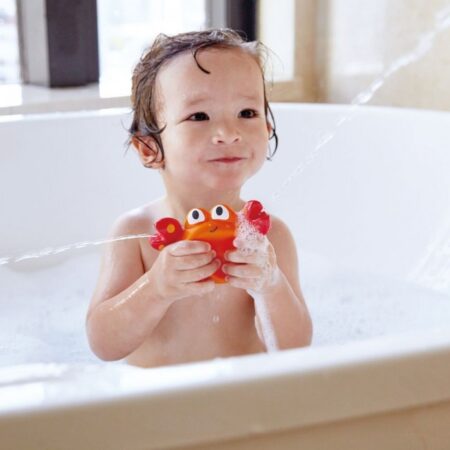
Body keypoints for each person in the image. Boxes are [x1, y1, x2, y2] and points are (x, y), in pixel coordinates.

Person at [86, 29, 312, 367]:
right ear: (149, 148)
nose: (229, 134)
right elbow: (103, 343)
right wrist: (156, 287)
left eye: (247, 113)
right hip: (157, 394)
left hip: (245, 394)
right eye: (199, 116)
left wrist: (270, 285)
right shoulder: (135, 233)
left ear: (267, 129)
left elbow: (295, 350)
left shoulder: (269, 237)